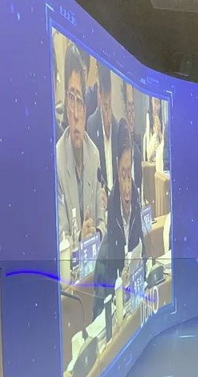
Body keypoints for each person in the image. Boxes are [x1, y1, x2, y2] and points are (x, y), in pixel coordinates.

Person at [92, 120, 144, 318]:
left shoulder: (137, 214)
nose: (128, 188)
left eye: (130, 175)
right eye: (123, 175)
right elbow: (99, 316)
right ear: (116, 169)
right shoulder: (105, 253)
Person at [56, 43, 106, 245]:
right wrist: (80, 239)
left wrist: (96, 234)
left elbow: (103, 220)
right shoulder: (56, 161)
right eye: (71, 98)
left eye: (80, 101)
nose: (76, 114)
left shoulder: (94, 154)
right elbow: (60, 239)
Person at [87, 63, 117, 197]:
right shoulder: (91, 125)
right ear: (99, 95)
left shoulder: (117, 127)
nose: (108, 117)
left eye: (110, 106)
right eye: (105, 107)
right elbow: (91, 172)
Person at [121, 81, 143, 199]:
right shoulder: (117, 154)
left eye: (132, 109)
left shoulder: (138, 154)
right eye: (128, 108)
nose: (131, 116)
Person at [144, 96, 165, 172]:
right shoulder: (148, 122)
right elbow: (148, 155)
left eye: (158, 103)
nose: (156, 107)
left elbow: (165, 149)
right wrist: (155, 133)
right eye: (155, 103)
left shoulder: (163, 124)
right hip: (151, 169)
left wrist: (159, 134)